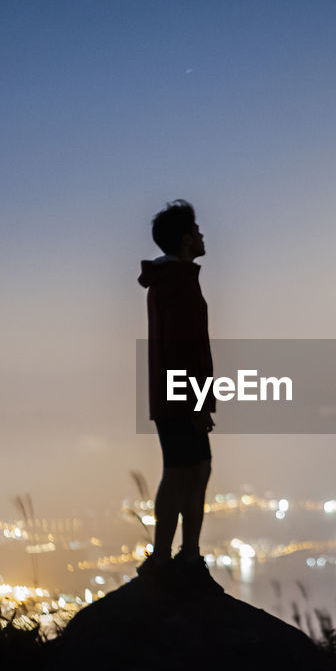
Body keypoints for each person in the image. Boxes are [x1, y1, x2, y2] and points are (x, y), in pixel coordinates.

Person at [136, 199, 222, 593]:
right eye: (197, 229)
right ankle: (171, 557)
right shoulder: (177, 282)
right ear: (186, 238)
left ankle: (182, 553)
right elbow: (180, 348)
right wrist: (197, 401)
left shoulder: (173, 279)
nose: (203, 235)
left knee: (195, 468)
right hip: (180, 396)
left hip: (173, 394)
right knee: (182, 472)